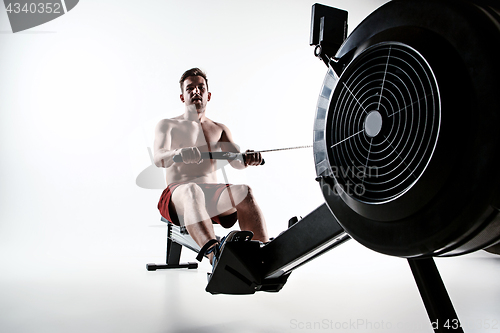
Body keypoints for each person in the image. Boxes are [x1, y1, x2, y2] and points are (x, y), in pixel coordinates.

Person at [154, 68, 269, 266]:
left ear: (208, 95)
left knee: (244, 192)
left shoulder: (220, 129)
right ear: (182, 97)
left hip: (210, 195)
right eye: (190, 88)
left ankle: (263, 257)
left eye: (201, 87)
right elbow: (158, 159)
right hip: (179, 194)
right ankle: (215, 256)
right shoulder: (167, 125)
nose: (196, 91)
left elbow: (237, 161)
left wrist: (249, 158)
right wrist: (178, 154)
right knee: (192, 190)